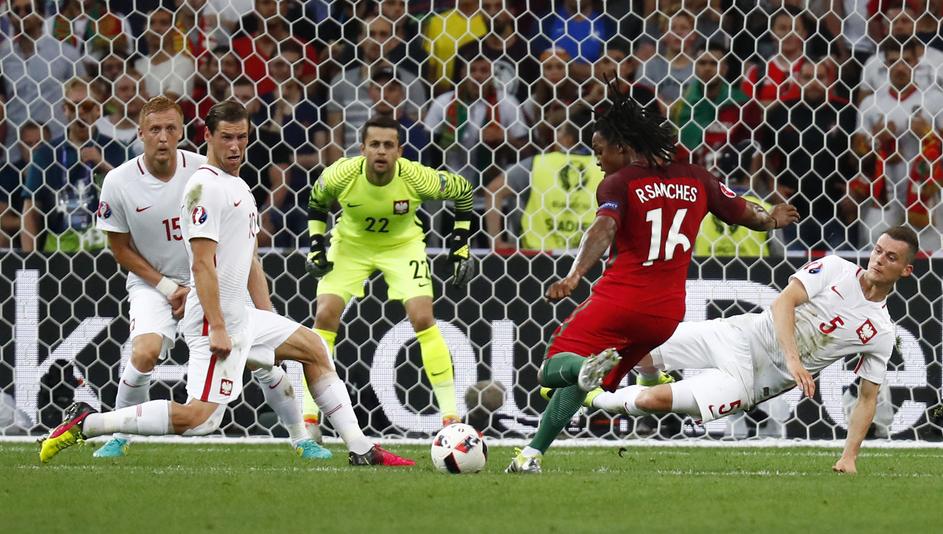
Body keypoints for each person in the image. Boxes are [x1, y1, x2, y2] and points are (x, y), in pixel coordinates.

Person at [40, 101, 414, 467]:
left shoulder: (234, 184)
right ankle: (88, 422)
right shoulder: (205, 189)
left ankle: (361, 448)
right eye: (227, 138)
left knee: (314, 347)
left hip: (241, 316)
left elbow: (246, 258)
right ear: (208, 137)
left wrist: (265, 315)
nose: (235, 147)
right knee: (200, 419)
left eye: (242, 138)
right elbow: (201, 264)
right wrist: (217, 326)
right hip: (213, 320)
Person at [505, 92, 799, 474]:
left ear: (623, 147)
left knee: (550, 370)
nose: (596, 159)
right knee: (580, 382)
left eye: (599, 149)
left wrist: (575, 274)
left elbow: (604, 227)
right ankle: (532, 454)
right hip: (665, 314)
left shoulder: (619, 183)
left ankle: (585, 369)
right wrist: (773, 218)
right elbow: (748, 214)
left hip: (620, 301)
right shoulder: (698, 178)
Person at [87, 96, 324, 460]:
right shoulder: (118, 183)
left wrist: (266, 310)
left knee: (263, 360)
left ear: (183, 132)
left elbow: (242, 242)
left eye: (170, 128)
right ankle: (118, 434)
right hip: (153, 283)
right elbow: (119, 248)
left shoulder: (205, 174)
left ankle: (300, 437)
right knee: (146, 352)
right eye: (154, 129)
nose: (163, 137)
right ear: (140, 133)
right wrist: (168, 287)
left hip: (210, 277)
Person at [587, 227, 919, 475]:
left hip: (748, 384)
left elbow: (867, 397)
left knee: (648, 403)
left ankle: (592, 398)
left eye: (891, 257)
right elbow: (783, 301)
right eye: (877, 250)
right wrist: (794, 359)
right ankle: (614, 374)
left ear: (905, 270)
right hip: (737, 336)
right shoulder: (835, 269)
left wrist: (849, 456)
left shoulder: (881, 331)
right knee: (639, 345)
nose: (878, 260)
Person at [302, 115, 476, 435]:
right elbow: (317, 201)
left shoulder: (417, 177)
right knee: (325, 315)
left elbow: (464, 192)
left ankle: (451, 418)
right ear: (362, 149)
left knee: (423, 317)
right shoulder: (340, 174)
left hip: (402, 246)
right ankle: (309, 418)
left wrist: (460, 246)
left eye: (388, 145)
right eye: (374, 145)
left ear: (399, 151)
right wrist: (316, 245)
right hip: (351, 245)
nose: (381, 152)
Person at [485, 121, 603, 251]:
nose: (555, 135)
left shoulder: (538, 163)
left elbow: (493, 190)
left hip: (538, 258)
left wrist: (496, 242)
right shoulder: (604, 168)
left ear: (568, 139)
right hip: (589, 256)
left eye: (560, 131)